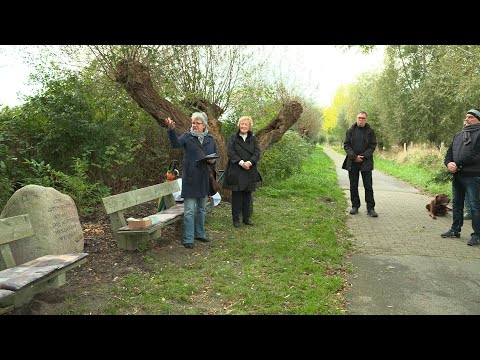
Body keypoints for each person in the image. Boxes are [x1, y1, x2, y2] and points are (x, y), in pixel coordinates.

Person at [165, 112, 218, 249]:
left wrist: (212, 162)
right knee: (189, 211)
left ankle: (200, 234)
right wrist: (171, 130)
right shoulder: (187, 137)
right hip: (190, 178)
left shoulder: (211, 139)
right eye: (193, 123)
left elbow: (214, 158)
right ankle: (188, 238)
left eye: (197, 123)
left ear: (204, 125)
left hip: (204, 179)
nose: (194, 125)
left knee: (201, 209)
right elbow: (175, 144)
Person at [441, 108, 480, 246]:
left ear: (478, 119)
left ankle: (477, 235)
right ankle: (455, 230)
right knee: (457, 204)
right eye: (466, 117)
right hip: (458, 175)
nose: (467, 119)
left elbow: (475, 154)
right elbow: (449, 151)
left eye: (470, 117)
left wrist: (457, 163)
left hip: (473, 176)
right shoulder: (459, 135)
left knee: (475, 206)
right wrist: (448, 163)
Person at [222, 116, 262, 228]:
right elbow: (230, 152)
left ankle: (246, 218)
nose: (244, 126)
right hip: (236, 170)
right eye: (242, 124)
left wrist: (249, 162)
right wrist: (241, 162)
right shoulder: (233, 138)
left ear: (250, 126)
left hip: (250, 169)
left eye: (246, 124)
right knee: (237, 196)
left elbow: (257, 152)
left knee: (247, 195)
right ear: (239, 125)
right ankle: (236, 220)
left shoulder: (253, 138)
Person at [342, 111, 378, 217]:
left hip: (366, 162)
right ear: (356, 118)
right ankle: (355, 206)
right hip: (352, 162)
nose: (361, 120)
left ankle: (370, 208)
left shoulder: (370, 132)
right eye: (359, 118)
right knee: (353, 185)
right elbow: (346, 145)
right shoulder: (350, 131)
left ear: (366, 119)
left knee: (368, 186)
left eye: (363, 118)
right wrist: (354, 157)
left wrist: (363, 156)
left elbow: (372, 146)